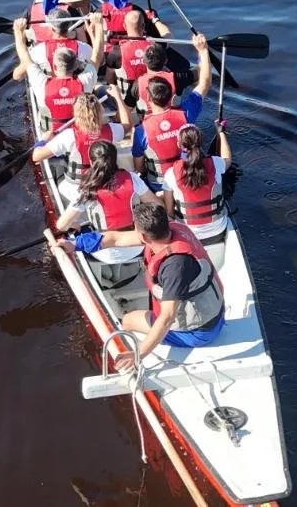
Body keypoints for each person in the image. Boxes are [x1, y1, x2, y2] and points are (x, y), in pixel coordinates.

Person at [59, 201, 226, 363]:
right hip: (211, 313)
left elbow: (167, 317)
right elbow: (115, 239)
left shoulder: (175, 266)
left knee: (128, 320)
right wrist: (75, 244)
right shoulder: (171, 230)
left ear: (143, 236)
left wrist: (139, 354)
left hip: (199, 332)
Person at [134, 34, 212, 177]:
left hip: (158, 185)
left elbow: (139, 168)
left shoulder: (141, 131)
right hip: (185, 177)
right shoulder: (185, 113)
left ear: (149, 99)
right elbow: (204, 83)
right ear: (172, 94)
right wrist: (203, 51)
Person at [160, 124, 231, 240]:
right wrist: (221, 133)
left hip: (188, 234)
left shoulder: (171, 173)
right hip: (218, 230)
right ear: (201, 142)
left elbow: (170, 212)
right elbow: (228, 159)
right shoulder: (216, 163)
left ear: (179, 145)